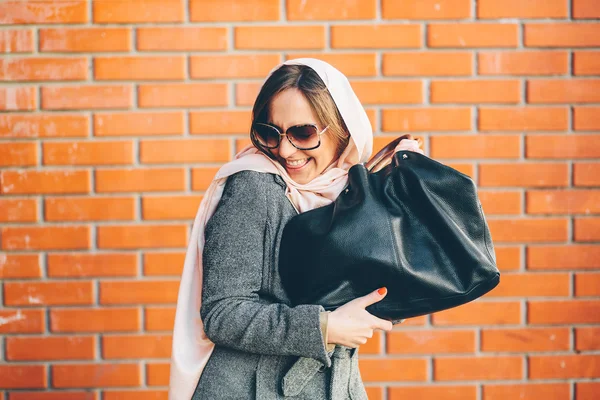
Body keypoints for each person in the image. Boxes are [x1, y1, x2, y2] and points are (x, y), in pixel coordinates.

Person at [169, 58, 423, 400]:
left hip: (337, 387)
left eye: (302, 133)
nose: (285, 150)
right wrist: (324, 328)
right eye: (270, 133)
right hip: (252, 389)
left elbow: (381, 299)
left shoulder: (351, 193)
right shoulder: (254, 188)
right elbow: (222, 313)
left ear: (342, 129)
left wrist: (400, 197)